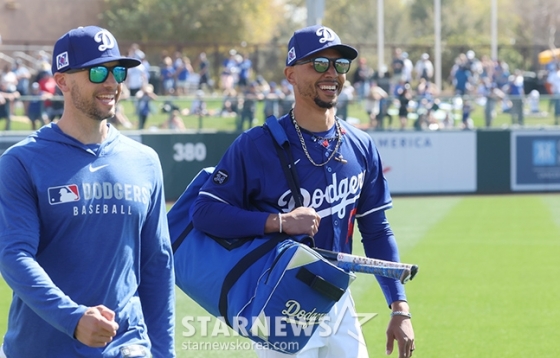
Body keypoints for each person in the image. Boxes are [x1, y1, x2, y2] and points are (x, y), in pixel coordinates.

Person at [191, 24, 415, 358]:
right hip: (281, 303)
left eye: (339, 64)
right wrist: (278, 222)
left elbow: (376, 228)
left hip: (337, 298)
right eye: (319, 64)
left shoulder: (360, 145)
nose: (332, 73)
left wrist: (399, 307)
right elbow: (204, 213)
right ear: (291, 74)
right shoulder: (256, 145)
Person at [0, 26, 175, 357]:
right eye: (97, 71)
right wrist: (74, 318)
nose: (111, 82)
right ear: (62, 81)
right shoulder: (21, 161)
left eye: (117, 71)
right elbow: (14, 257)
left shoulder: (145, 161)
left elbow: (157, 263)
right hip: (42, 349)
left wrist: (164, 352)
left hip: (127, 346)